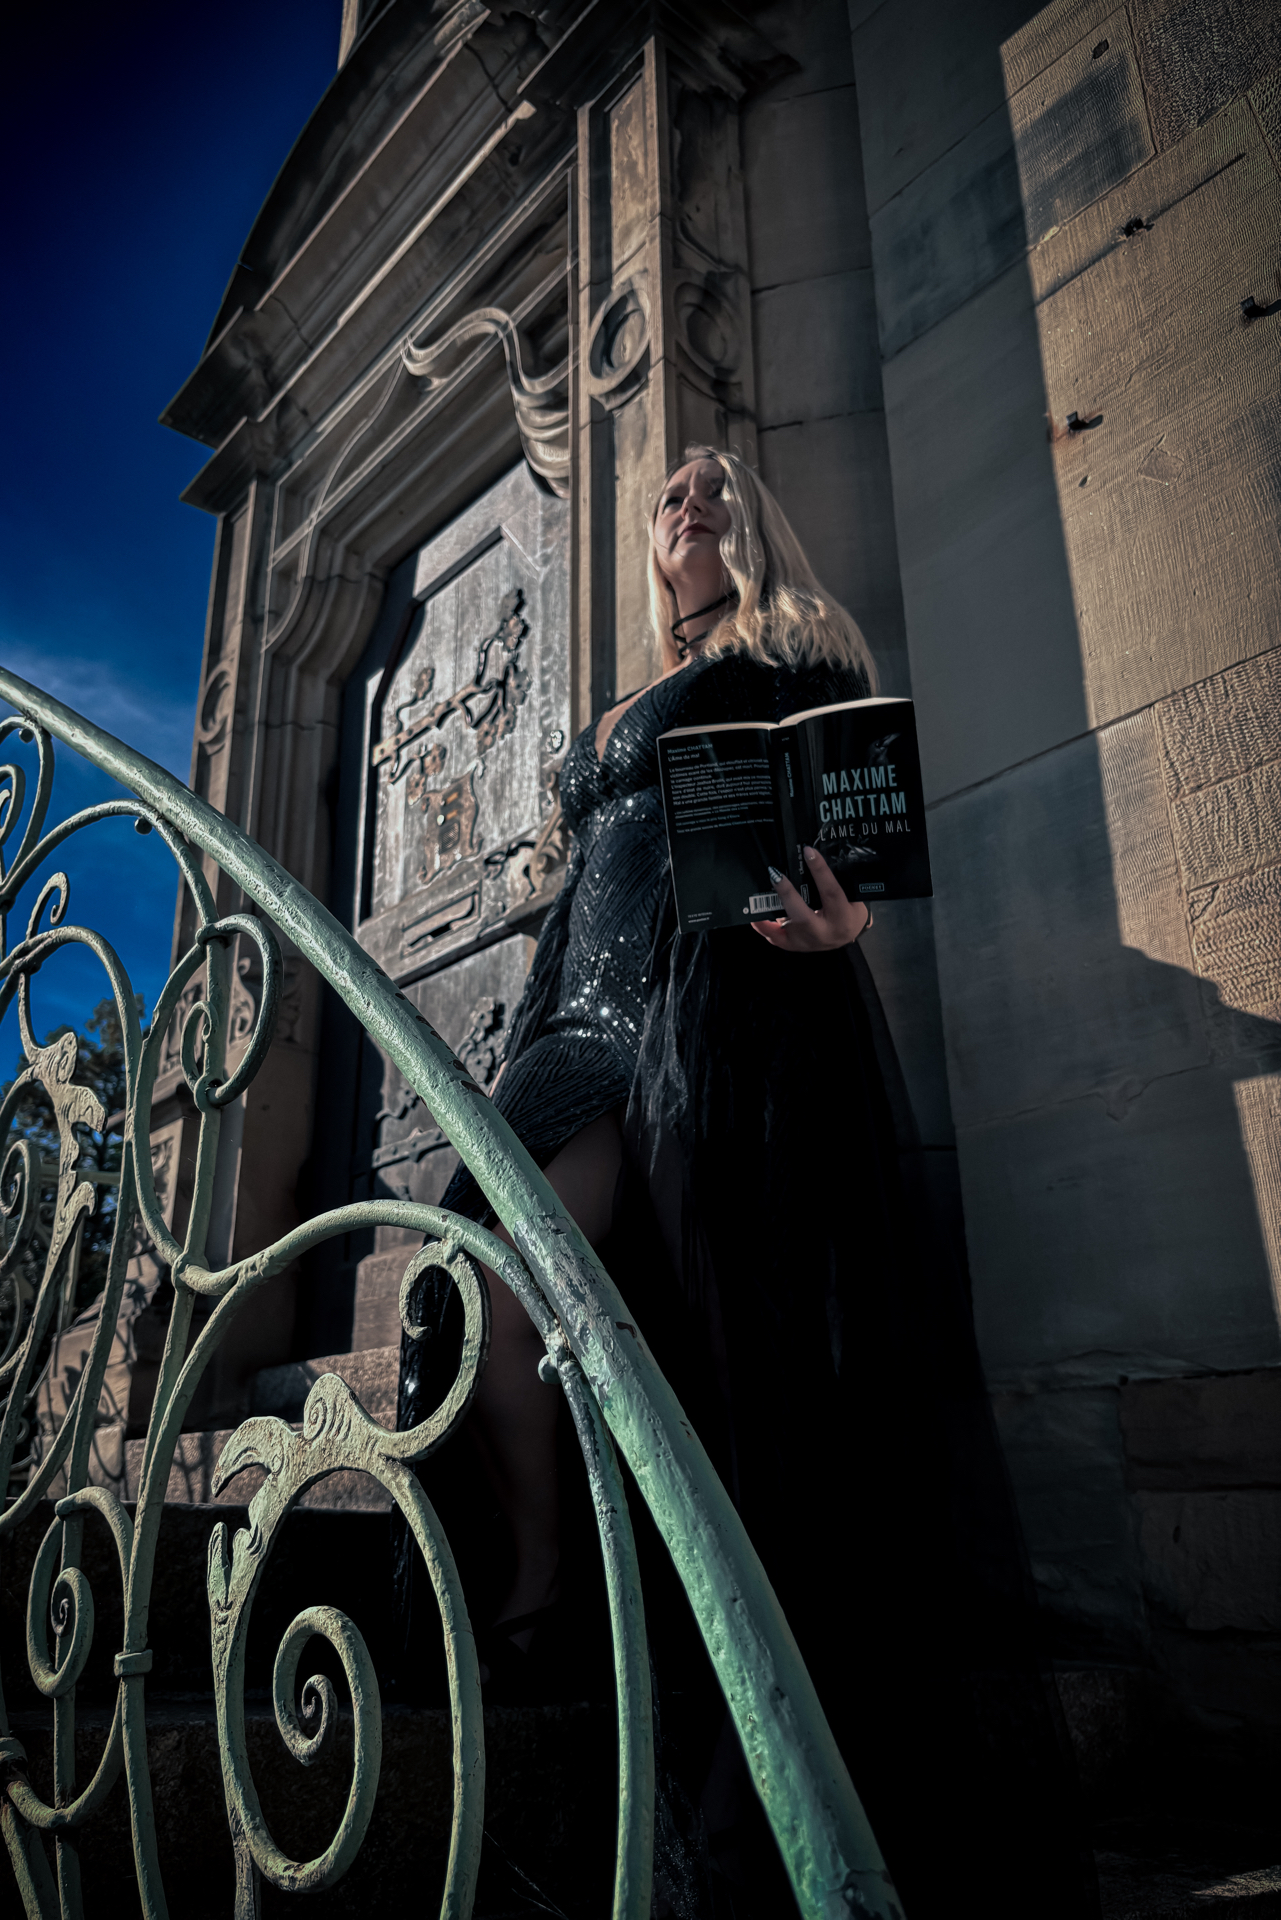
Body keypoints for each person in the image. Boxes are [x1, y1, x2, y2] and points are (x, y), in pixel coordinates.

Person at [396, 447, 1096, 1919]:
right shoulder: (623, 688)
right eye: (666, 495)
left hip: (719, 1017)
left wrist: (843, 934)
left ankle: (705, 1676)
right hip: (572, 1021)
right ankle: (536, 1586)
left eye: (715, 489)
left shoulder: (796, 655)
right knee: (480, 1282)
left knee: (731, 1358)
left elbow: (845, 829)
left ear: (754, 523)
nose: (688, 504)